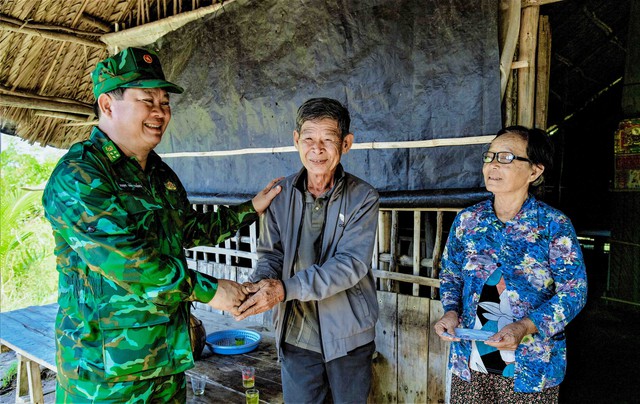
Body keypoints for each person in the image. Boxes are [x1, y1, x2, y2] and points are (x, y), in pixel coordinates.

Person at [42, 47, 282, 402]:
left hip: (165, 362)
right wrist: (213, 291)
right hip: (104, 375)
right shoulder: (79, 175)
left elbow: (188, 229)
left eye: (165, 102)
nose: (160, 112)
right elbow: (129, 262)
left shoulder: (159, 174)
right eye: (147, 100)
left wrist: (250, 210)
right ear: (108, 105)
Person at [234, 98, 380, 403]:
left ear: (346, 144)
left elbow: (350, 264)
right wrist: (259, 286)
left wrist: (283, 289)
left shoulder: (363, 197)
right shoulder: (280, 193)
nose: (317, 149)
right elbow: (270, 255)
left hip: (348, 336)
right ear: (296, 140)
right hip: (295, 334)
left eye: (328, 139)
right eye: (309, 139)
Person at [433, 126, 587, 402]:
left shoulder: (553, 225)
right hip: (471, 363)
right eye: (489, 156)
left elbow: (574, 292)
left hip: (530, 368)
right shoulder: (468, 221)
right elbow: (451, 275)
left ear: (535, 171)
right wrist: (450, 312)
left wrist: (525, 326)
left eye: (505, 157)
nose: (492, 165)